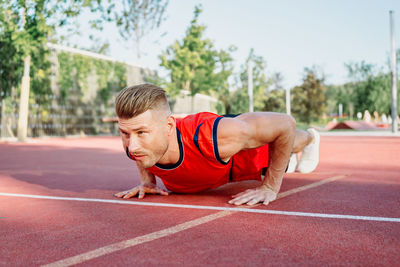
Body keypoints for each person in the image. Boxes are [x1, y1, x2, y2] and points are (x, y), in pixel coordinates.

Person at [114, 84, 320, 206]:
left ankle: (311, 138)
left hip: (235, 153)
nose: (132, 147)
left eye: (141, 133)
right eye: (124, 133)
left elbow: (286, 123)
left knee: (290, 144)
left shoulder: (213, 137)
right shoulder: (138, 145)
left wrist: (270, 186)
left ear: (168, 125)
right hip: (218, 163)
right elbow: (138, 148)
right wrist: (148, 181)